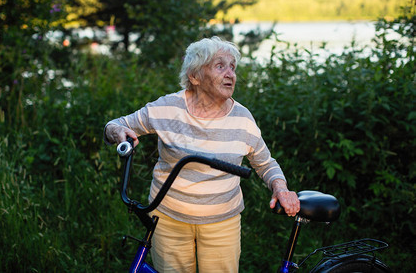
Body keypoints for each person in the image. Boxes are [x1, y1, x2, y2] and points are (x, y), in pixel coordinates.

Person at [104, 36, 300, 273]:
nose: (231, 74)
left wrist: (281, 188)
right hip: (168, 220)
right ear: (195, 76)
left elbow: (265, 163)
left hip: (222, 223)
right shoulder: (167, 108)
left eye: (233, 67)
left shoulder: (242, 119)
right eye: (220, 66)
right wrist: (117, 131)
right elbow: (115, 125)